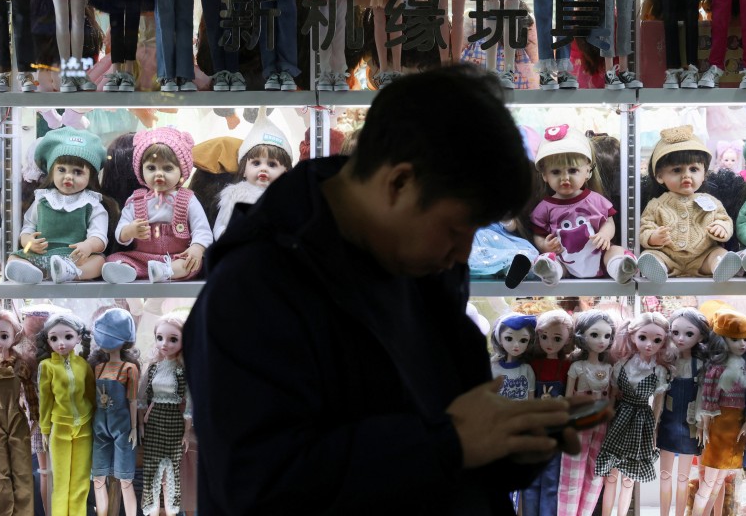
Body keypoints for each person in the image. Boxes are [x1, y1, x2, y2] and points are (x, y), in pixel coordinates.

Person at [185, 66, 581, 514]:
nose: (463, 252)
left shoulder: (422, 258)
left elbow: (460, 422)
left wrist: (511, 446)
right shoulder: (251, 289)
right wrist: (451, 443)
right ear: (398, 183)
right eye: (457, 227)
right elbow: (260, 485)